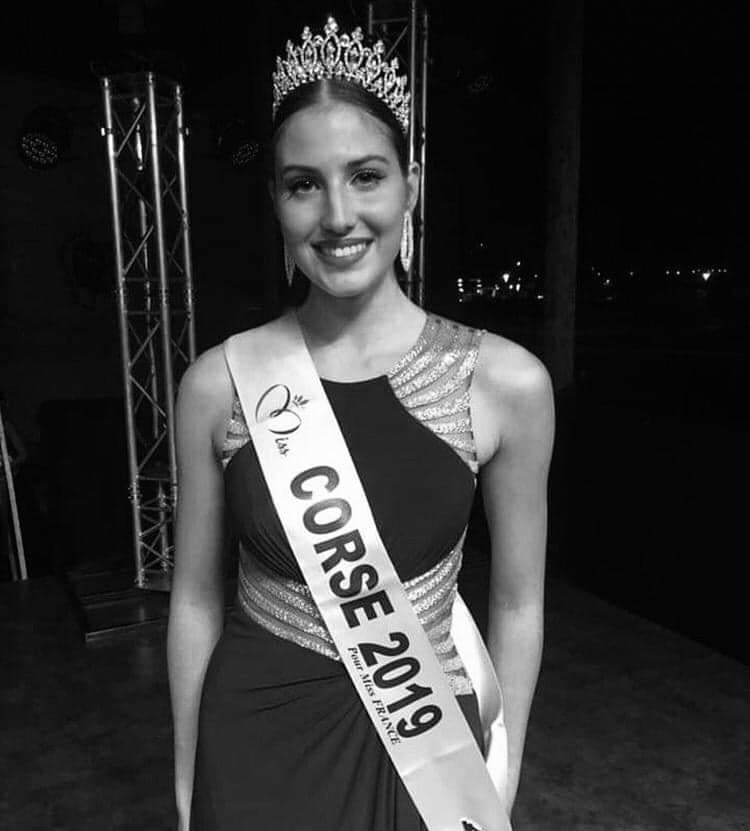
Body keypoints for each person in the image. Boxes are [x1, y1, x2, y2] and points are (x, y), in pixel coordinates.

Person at [167, 16, 554, 831]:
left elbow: (519, 603)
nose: (338, 215)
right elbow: (196, 598)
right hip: (252, 748)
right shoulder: (220, 383)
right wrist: (188, 778)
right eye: (304, 184)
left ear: (411, 184)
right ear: (277, 202)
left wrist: (505, 771)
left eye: (366, 176)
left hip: (429, 756)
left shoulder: (504, 382)